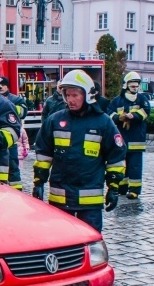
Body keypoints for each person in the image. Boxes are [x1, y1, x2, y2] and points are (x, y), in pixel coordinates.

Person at [32, 70, 126, 232]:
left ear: (87, 95)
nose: (70, 100)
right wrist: (38, 182)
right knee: (60, 243)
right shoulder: (55, 120)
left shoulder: (103, 123)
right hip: (60, 197)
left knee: (89, 243)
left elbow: (116, 157)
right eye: (67, 95)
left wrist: (114, 188)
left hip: (89, 201)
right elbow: (43, 154)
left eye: (75, 95)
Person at [108, 71, 150, 199]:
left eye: (137, 86)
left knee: (135, 166)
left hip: (136, 139)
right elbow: (109, 114)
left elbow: (146, 112)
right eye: (132, 86)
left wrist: (134, 116)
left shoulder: (142, 99)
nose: (135, 88)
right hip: (122, 139)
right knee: (121, 165)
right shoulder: (118, 100)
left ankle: (134, 190)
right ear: (126, 85)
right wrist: (118, 117)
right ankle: (122, 188)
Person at [0, 76, 28, 191]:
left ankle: (17, 190)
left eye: (3, 85)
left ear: (7, 86)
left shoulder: (16, 99)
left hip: (12, 138)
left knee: (13, 166)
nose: (0, 87)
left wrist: (6, 107)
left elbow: (23, 112)